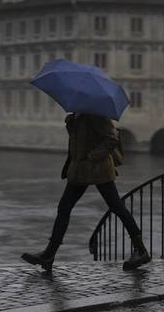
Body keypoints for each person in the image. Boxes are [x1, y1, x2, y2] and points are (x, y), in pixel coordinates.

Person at [22, 113, 150, 272]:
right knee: (64, 208)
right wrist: (71, 124)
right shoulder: (79, 116)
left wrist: (91, 158)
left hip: (98, 169)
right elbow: (79, 143)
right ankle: (49, 254)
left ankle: (141, 250)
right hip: (80, 171)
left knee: (117, 207)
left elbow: (111, 139)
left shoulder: (96, 115)